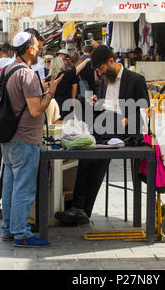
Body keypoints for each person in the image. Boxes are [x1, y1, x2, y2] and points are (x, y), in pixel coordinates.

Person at [54, 45, 149, 225]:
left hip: (124, 129)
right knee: (86, 154)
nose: (100, 74)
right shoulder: (105, 80)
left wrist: (127, 120)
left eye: (101, 69)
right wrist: (97, 103)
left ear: (111, 61)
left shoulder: (135, 79)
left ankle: (81, 209)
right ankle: (79, 208)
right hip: (104, 123)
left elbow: (144, 109)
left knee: (94, 156)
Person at [0, 31, 63, 247]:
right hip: (25, 139)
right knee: (24, 188)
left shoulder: (8, 69)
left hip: (9, 138)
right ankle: (21, 234)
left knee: (10, 185)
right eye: (37, 46)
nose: (39, 50)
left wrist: (40, 90)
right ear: (29, 49)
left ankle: (8, 228)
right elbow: (36, 110)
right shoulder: (26, 74)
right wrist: (50, 92)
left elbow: (21, 99)